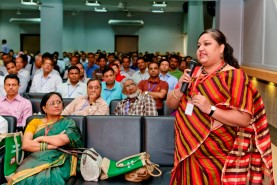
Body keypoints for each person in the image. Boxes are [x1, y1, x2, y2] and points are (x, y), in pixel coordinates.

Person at [166, 29, 274, 185]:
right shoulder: (192, 73)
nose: (201, 48)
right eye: (198, 45)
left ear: (221, 48)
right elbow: (170, 105)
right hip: (185, 150)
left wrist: (210, 109)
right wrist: (179, 88)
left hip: (215, 155)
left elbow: (244, 119)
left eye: (207, 44)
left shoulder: (235, 76)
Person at [7, 92, 84, 184]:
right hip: (34, 158)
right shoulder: (34, 122)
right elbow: (26, 145)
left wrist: (41, 138)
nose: (56, 105)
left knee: (49, 178)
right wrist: (52, 146)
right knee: (22, 179)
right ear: (44, 108)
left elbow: (63, 140)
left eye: (59, 102)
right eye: (52, 103)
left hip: (60, 158)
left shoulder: (68, 122)